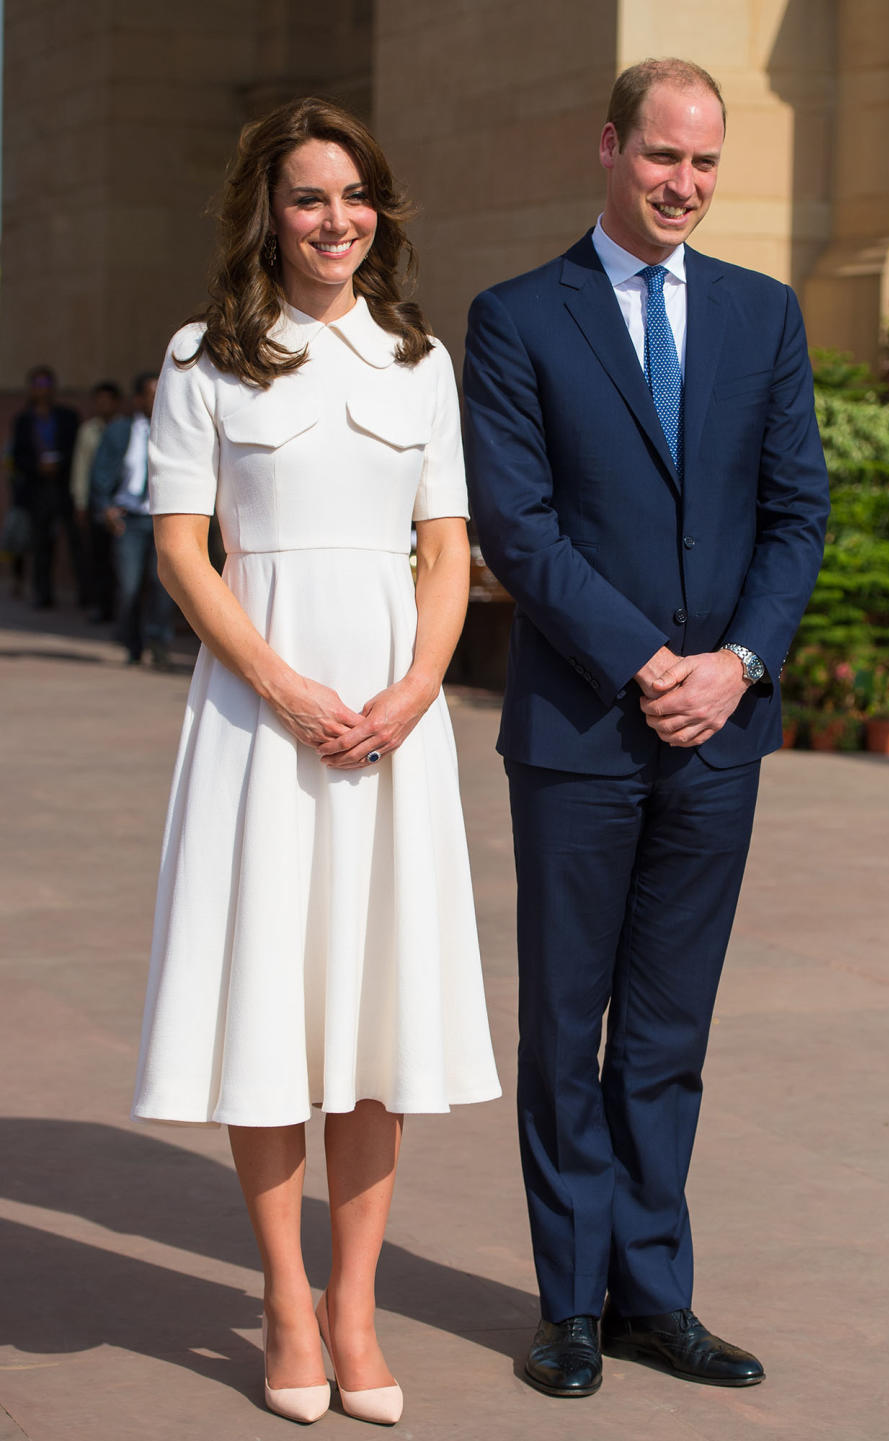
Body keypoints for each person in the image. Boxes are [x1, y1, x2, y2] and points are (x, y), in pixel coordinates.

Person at [463, 57, 830, 1398]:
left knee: (669, 1032)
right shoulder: (516, 319)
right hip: (579, 733)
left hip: (720, 735)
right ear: (607, 149)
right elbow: (519, 526)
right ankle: (569, 1304)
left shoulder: (762, 314)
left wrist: (733, 664)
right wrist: (646, 662)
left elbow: (797, 515)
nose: (687, 184)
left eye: (707, 163)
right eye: (664, 156)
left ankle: (651, 1297)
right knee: (571, 1027)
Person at [131, 97, 500, 1426]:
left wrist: (413, 691)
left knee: (376, 1018)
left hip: (393, 732)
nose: (333, 219)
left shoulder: (420, 360)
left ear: (378, 210)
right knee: (276, 1014)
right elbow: (183, 550)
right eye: (305, 197)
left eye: (353, 196)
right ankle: (287, 1298)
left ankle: (357, 1303)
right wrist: (285, 686)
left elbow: (446, 552)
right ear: (266, 212)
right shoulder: (202, 357)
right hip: (257, 724)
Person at [89, 372, 175, 667]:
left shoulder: (177, 429)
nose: (157, 399)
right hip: (130, 520)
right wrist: (106, 509)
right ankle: (132, 643)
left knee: (164, 583)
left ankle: (160, 643)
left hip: (164, 518)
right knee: (129, 586)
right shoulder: (119, 431)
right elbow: (99, 473)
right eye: (151, 394)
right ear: (138, 399)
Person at [9, 365, 83, 608]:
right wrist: (37, 466)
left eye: (47, 385)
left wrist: (59, 464)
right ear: (31, 389)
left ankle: (85, 596)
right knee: (41, 545)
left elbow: (77, 451)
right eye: (38, 385)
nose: (43, 391)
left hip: (64, 487)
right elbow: (17, 456)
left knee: (76, 543)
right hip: (37, 489)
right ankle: (43, 595)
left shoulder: (67, 416)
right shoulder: (23, 420)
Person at [71, 380, 123, 622]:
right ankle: (103, 606)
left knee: (122, 561)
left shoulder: (128, 428)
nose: (103, 405)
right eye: (98, 401)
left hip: (124, 504)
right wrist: (81, 502)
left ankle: (123, 610)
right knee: (99, 556)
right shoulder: (88, 431)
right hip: (99, 502)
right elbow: (81, 469)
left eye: (107, 401)